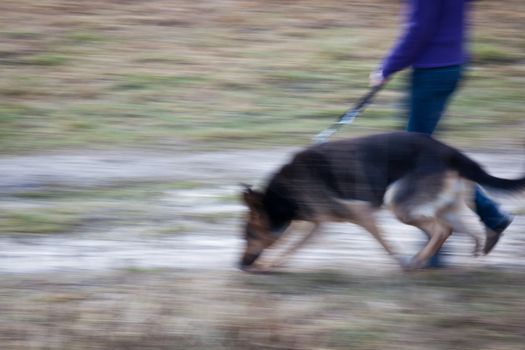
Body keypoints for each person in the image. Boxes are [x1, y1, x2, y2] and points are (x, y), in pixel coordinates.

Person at [369, 0, 513, 265]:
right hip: (450, 65)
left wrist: (388, 66)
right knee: (431, 158)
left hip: (431, 71)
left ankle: (437, 249)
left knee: (419, 160)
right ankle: (491, 215)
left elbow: (418, 29)